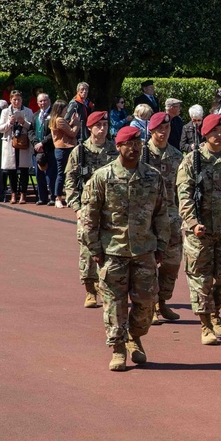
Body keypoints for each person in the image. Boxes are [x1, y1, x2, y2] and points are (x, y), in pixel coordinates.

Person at [79, 125, 170, 371]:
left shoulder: (152, 176)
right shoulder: (103, 176)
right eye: (129, 143)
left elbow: (162, 213)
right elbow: (89, 216)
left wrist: (162, 244)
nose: (135, 147)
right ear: (118, 147)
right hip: (113, 251)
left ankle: (135, 336)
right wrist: (95, 248)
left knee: (146, 304)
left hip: (144, 251)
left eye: (138, 142)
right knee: (114, 304)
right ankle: (118, 348)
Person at [176, 113, 221, 345]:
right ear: (205, 134)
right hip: (199, 233)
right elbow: (184, 196)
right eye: (215, 132)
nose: (219, 136)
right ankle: (205, 325)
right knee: (200, 280)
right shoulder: (192, 162)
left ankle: (215, 311)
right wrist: (193, 223)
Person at [64, 110, 119, 307]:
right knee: (88, 250)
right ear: (89, 128)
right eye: (99, 125)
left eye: (105, 125)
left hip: (111, 209)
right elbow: (70, 181)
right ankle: (90, 290)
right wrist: (77, 208)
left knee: (112, 250)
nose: (103, 129)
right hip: (88, 209)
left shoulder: (114, 150)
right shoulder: (80, 152)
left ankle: (106, 287)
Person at [141, 112, 185, 323]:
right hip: (146, 218)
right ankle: (151, 307)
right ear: (151, 130)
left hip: (171, 218)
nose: (164, 133)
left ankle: (163, 301)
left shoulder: (177, 156)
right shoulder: (140, 153)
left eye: (167, 129)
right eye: (160, 129)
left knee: (172, 263)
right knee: (148, 265)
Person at [0, 90, 34, 204]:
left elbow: (32, 126)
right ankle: (13, 194)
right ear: (10, 100)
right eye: (14, 100)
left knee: (24, 169)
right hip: (10, 143)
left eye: (18, 99)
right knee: (11, 170)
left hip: (23, 144)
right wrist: (10, 122)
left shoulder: (28, 111)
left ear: (22, 100)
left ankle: (23, 194)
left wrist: (23, 122)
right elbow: (0, 128)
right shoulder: (5, 112)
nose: (16, 102)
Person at [32, 92, 55, 205]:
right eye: (40, 101)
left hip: (49, 149)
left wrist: (43, 143)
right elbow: (31, 131)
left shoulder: (54, 114)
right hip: (37, 150)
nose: (43, 103)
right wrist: (36, 143)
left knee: (50, 175)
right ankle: (42, 197)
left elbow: (54, 132)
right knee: (39, 174)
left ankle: (53, 197)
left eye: (45, 100)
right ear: (37, 103)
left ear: (49, 101)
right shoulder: (35, 115)